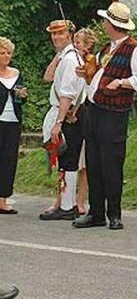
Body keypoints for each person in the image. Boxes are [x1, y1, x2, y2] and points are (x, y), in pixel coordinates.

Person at [73, 2, 137, 230]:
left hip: (114, 114)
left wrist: (122, 82)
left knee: (112, 163)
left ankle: (114, 213)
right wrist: (86, 74)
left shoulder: (135, 49)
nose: (103, 25)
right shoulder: (106, 49)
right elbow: (98, 73)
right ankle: (96, 212)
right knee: (94, 162)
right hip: (95, 110)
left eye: (106, 21)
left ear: (113, 24)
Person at [40, 20, 86, 221]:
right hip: (66, 112)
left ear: (69, 35)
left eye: (60, 34)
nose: (56, 37)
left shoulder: (70, 60)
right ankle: (67, 204)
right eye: (53, 34)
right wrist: (57, 55)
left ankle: (67, 206)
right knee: (66, 160)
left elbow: (67, 93)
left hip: (68, 114)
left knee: (68, 159)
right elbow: (47, 77)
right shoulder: (65, 57)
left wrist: (59, 122)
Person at [0, 37, 27, 215]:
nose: (6, 56)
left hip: (13, 121)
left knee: (9, 160)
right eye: (2, 52)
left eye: (9, 53)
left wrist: (23, 95)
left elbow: (21, 98)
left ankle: (2, 199)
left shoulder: (17, 73)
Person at [73, 28, 98, 215]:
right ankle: (64, 199)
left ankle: (80, 200)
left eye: (78, 42)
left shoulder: (92, 62)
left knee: (84, 164)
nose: (75, 45)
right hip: (74, 112)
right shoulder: (70, 60)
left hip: (85, 112)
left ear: (88, 45)